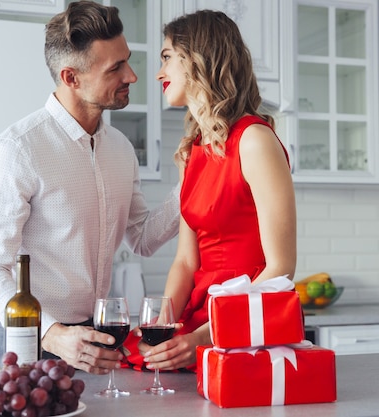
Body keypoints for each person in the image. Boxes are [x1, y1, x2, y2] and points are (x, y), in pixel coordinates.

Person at [0, 0, 180, 375]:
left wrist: (193, 182)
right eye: (115, 68)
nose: (132, 76)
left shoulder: (119, 148)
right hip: (30, 342)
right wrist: (52, 335)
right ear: (71, 78)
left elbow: (141, 238)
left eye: (127, 60)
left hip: (94, 340)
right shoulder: (17, 150)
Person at [123, 9, 296, 372]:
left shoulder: (254, 141)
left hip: (241, 325)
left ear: (199, 59)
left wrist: (205, 336)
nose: (159, 73)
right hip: (199, 318)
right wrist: (161, 326)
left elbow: (280, 268)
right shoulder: (193, 151)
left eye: (167, 57)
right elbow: (187, 261)